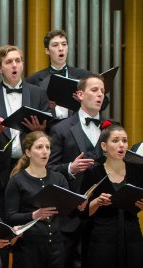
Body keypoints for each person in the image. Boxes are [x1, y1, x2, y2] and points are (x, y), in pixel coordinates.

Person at [0, 45, 49, 218]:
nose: (14, 65)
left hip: (31, 167)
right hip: (1, 173)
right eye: (9, 62)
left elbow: (50, 131)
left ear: (22, 65)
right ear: (0, 68)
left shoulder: (38, 94)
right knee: (3, 220)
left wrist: (39, 132)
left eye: (18, 61)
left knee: (31, 217)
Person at [48, 74, 105, 268]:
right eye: (94, 90)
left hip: (103, 215)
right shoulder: (60, 129)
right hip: (70, 216)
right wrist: (70, 168)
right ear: (80, 94)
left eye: (103, 91)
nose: (100, 95)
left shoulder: (110, 129)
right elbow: (49, 169)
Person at [80, 121, 143, 268]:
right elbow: (81, 211)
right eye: (115, 141)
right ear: (104, 146)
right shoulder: (93, 172)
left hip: (132, 235)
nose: (121, 145)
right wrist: (96, 202)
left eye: (124, 141)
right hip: (102, 239)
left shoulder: (137, 170)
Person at [5, 131, 70, 268]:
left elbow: (66, 211)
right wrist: (34, 215)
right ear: (28, 152)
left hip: (56, 246)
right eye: (39, 147)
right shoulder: (17, 180)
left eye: (47, 147)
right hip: (28, 247)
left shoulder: (59, 178)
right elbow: (10, 216)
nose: (45, 152)